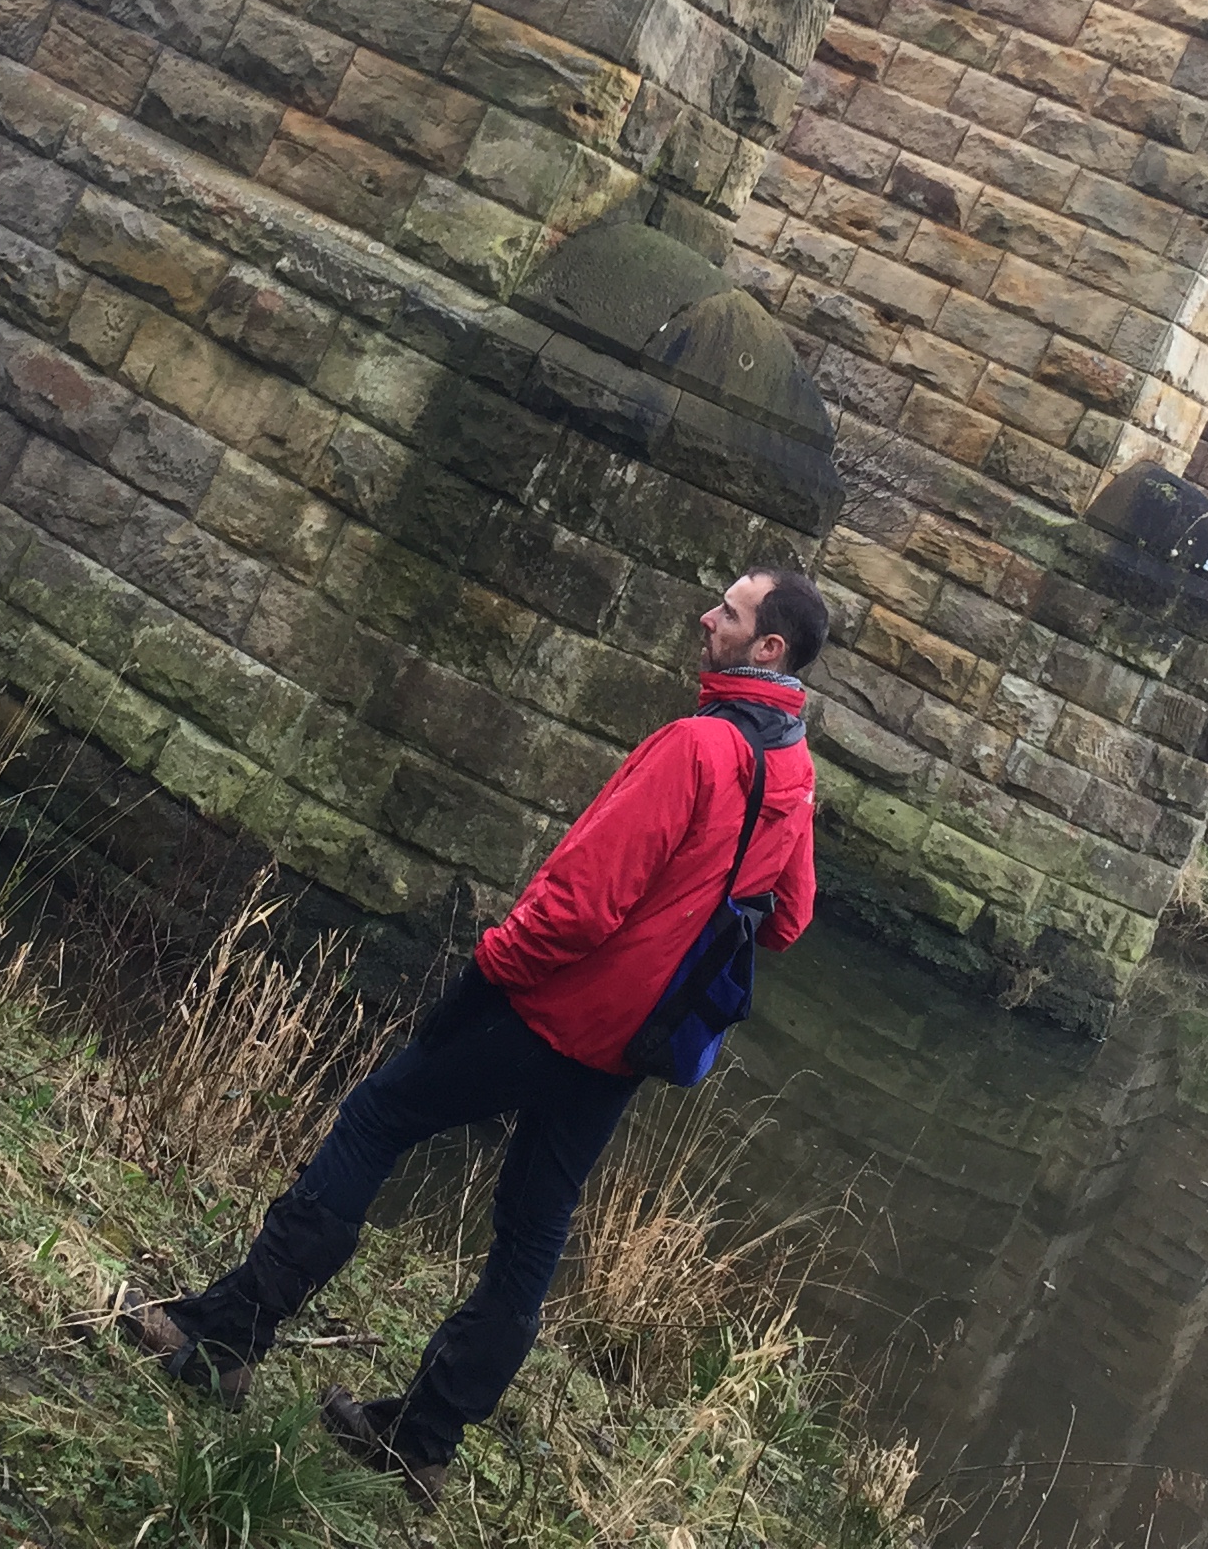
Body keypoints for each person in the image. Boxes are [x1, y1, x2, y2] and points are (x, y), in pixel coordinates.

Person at [126, 564, 828, 1501]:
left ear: (768, 647)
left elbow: (581, 904)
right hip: (631, 1047)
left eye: (729, 613)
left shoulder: (696, 746)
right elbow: (785, 920)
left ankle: (221, 1343)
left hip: (550, 1010)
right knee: (533, 1233)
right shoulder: (793, 769)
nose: (707, 618)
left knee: (377, 1118)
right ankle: (422, 1444)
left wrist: (491, 965)